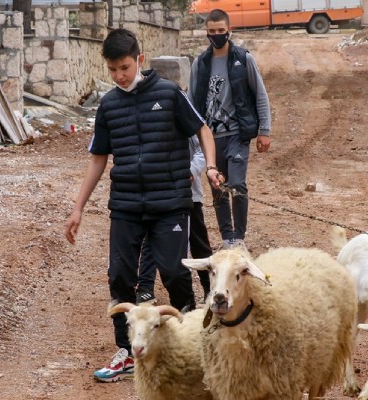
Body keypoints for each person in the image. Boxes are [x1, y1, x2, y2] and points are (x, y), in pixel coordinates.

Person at [64, 28, 221, 383]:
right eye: (112, 70)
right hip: (126, 205)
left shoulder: (168, 94)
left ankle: (190, 341)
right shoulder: (108, 105)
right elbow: (97, 159)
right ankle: (126, 350)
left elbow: (203, 130)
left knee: (175, 271)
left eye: (124, 67)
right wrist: (77, 209)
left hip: (170, 203)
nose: (119, 76)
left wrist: (210, 167)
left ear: (139, 60)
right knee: (120, 276)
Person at [188, 8, 272, 249]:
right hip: (211, 138)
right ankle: (227, 239)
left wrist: (264, 130)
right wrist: (192, 137)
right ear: (206, 33)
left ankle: (240, 236)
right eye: (212, 31)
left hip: (237, 134)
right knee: (219, 187)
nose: (217, 35)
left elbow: (260, 95)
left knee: (236, 183)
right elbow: (192, 102)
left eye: (221, 31)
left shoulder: (242, 59)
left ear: (229, 31)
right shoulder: (200, 64)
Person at [138, 136, 212, 304]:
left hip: (189, 195)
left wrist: (191, 171)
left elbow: (203, 148)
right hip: (158, 195)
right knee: (151, 239)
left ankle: (210, 287)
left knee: (198, 242)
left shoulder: (186, 115)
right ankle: (145, 288)